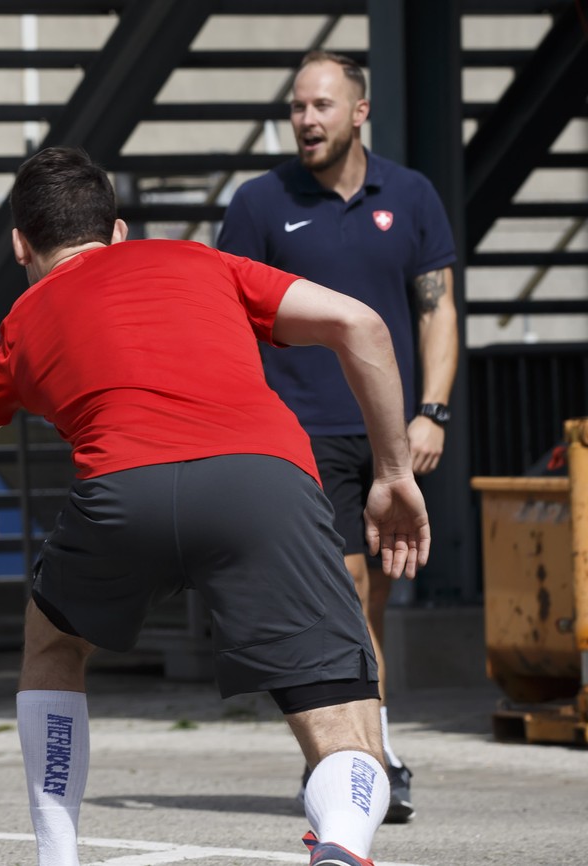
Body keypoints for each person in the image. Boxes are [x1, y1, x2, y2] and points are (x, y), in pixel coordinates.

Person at [0, 146, 429, 866]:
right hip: (262, 483)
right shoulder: (201, 262)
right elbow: (361, 325)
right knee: (341, 715)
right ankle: (339, 844)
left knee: (53, 641)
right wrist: (393, 472)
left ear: (21, 244)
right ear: (118, 231)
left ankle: (59, 856)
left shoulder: (24, 321)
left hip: (123, 490)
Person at [217, 50, 458, 823]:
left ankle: (366, 755)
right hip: (300, 434)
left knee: (375, 597)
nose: (305, 120)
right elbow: (227, 321)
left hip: (390, 436)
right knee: (344, 596)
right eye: (296, 107)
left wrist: (433, 410)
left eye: (321, 106)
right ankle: (355, 762)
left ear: (359, 112)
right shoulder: (259, 204)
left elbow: (437, 309)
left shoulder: (412, 196)